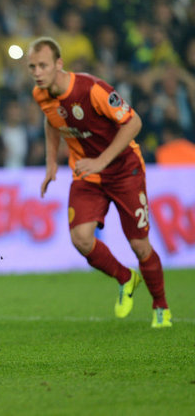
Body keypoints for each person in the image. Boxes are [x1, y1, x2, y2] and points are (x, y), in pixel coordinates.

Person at [27, 36, 171, 328]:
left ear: (58, 63)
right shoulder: (40, 94)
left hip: (125, 171)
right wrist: (51, 161)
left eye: (43, 65)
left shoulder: (92, 89)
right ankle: (126, 278)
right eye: (32, 67)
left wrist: (102, 161)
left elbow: (134, 122)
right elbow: (51, 120)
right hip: (88, 174)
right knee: (80, 239)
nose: (37, 72)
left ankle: (161, 305)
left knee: (139, 246)